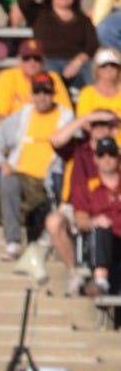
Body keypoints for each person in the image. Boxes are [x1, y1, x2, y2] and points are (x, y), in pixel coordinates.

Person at [0, 71, 73, 260]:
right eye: (37, 92)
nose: (42, 97)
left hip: (53, 176)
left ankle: (53, 245)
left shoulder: (66, 117)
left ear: (53, 94)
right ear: (31, 94)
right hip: (23, 175)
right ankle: (13, 242)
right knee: (8, 182)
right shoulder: (22, 116)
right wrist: (3, 163)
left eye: (46, 92)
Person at [46, 108, 120, 295]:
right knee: (54, 222)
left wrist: (116, 125)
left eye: (105, 124)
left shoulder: (116, 151)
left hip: (109, 203)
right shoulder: (80, 147)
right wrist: (86, 118)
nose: (100, 129)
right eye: (96, 124)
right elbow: (55, 140)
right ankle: (75, 271)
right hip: (77, 204)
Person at [15, 0, 98, 92]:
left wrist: (77, 62)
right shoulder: (39, 13)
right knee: (47, 72)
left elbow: (92, 45)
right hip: (47, 61)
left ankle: (97, 105)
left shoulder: (83, 19)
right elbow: (23, 1)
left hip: (76, 63)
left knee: (92, 68)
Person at [71, 133, 121, 299]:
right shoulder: (86, 186)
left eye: (111, 154)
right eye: (102, 154)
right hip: (101, 243)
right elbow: (80, 220)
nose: (107, 158)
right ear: (95, 159)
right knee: (102, 228)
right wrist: (94, 221)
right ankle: (100, 281)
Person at [0, 38, 71, 126]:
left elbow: (66, 114)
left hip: (48, 130)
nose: (32, 63)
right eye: (26, 58)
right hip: (16, 131)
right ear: (19, 60)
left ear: (43, 61)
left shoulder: (53, 78)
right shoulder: (7, 77)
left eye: (37, 58)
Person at [76, 47, 121, 126]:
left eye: (113, 65)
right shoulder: (87, 93)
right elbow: (84, 123)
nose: (109, 68)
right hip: (98, 136)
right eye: (103, 65)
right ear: (96, 68)